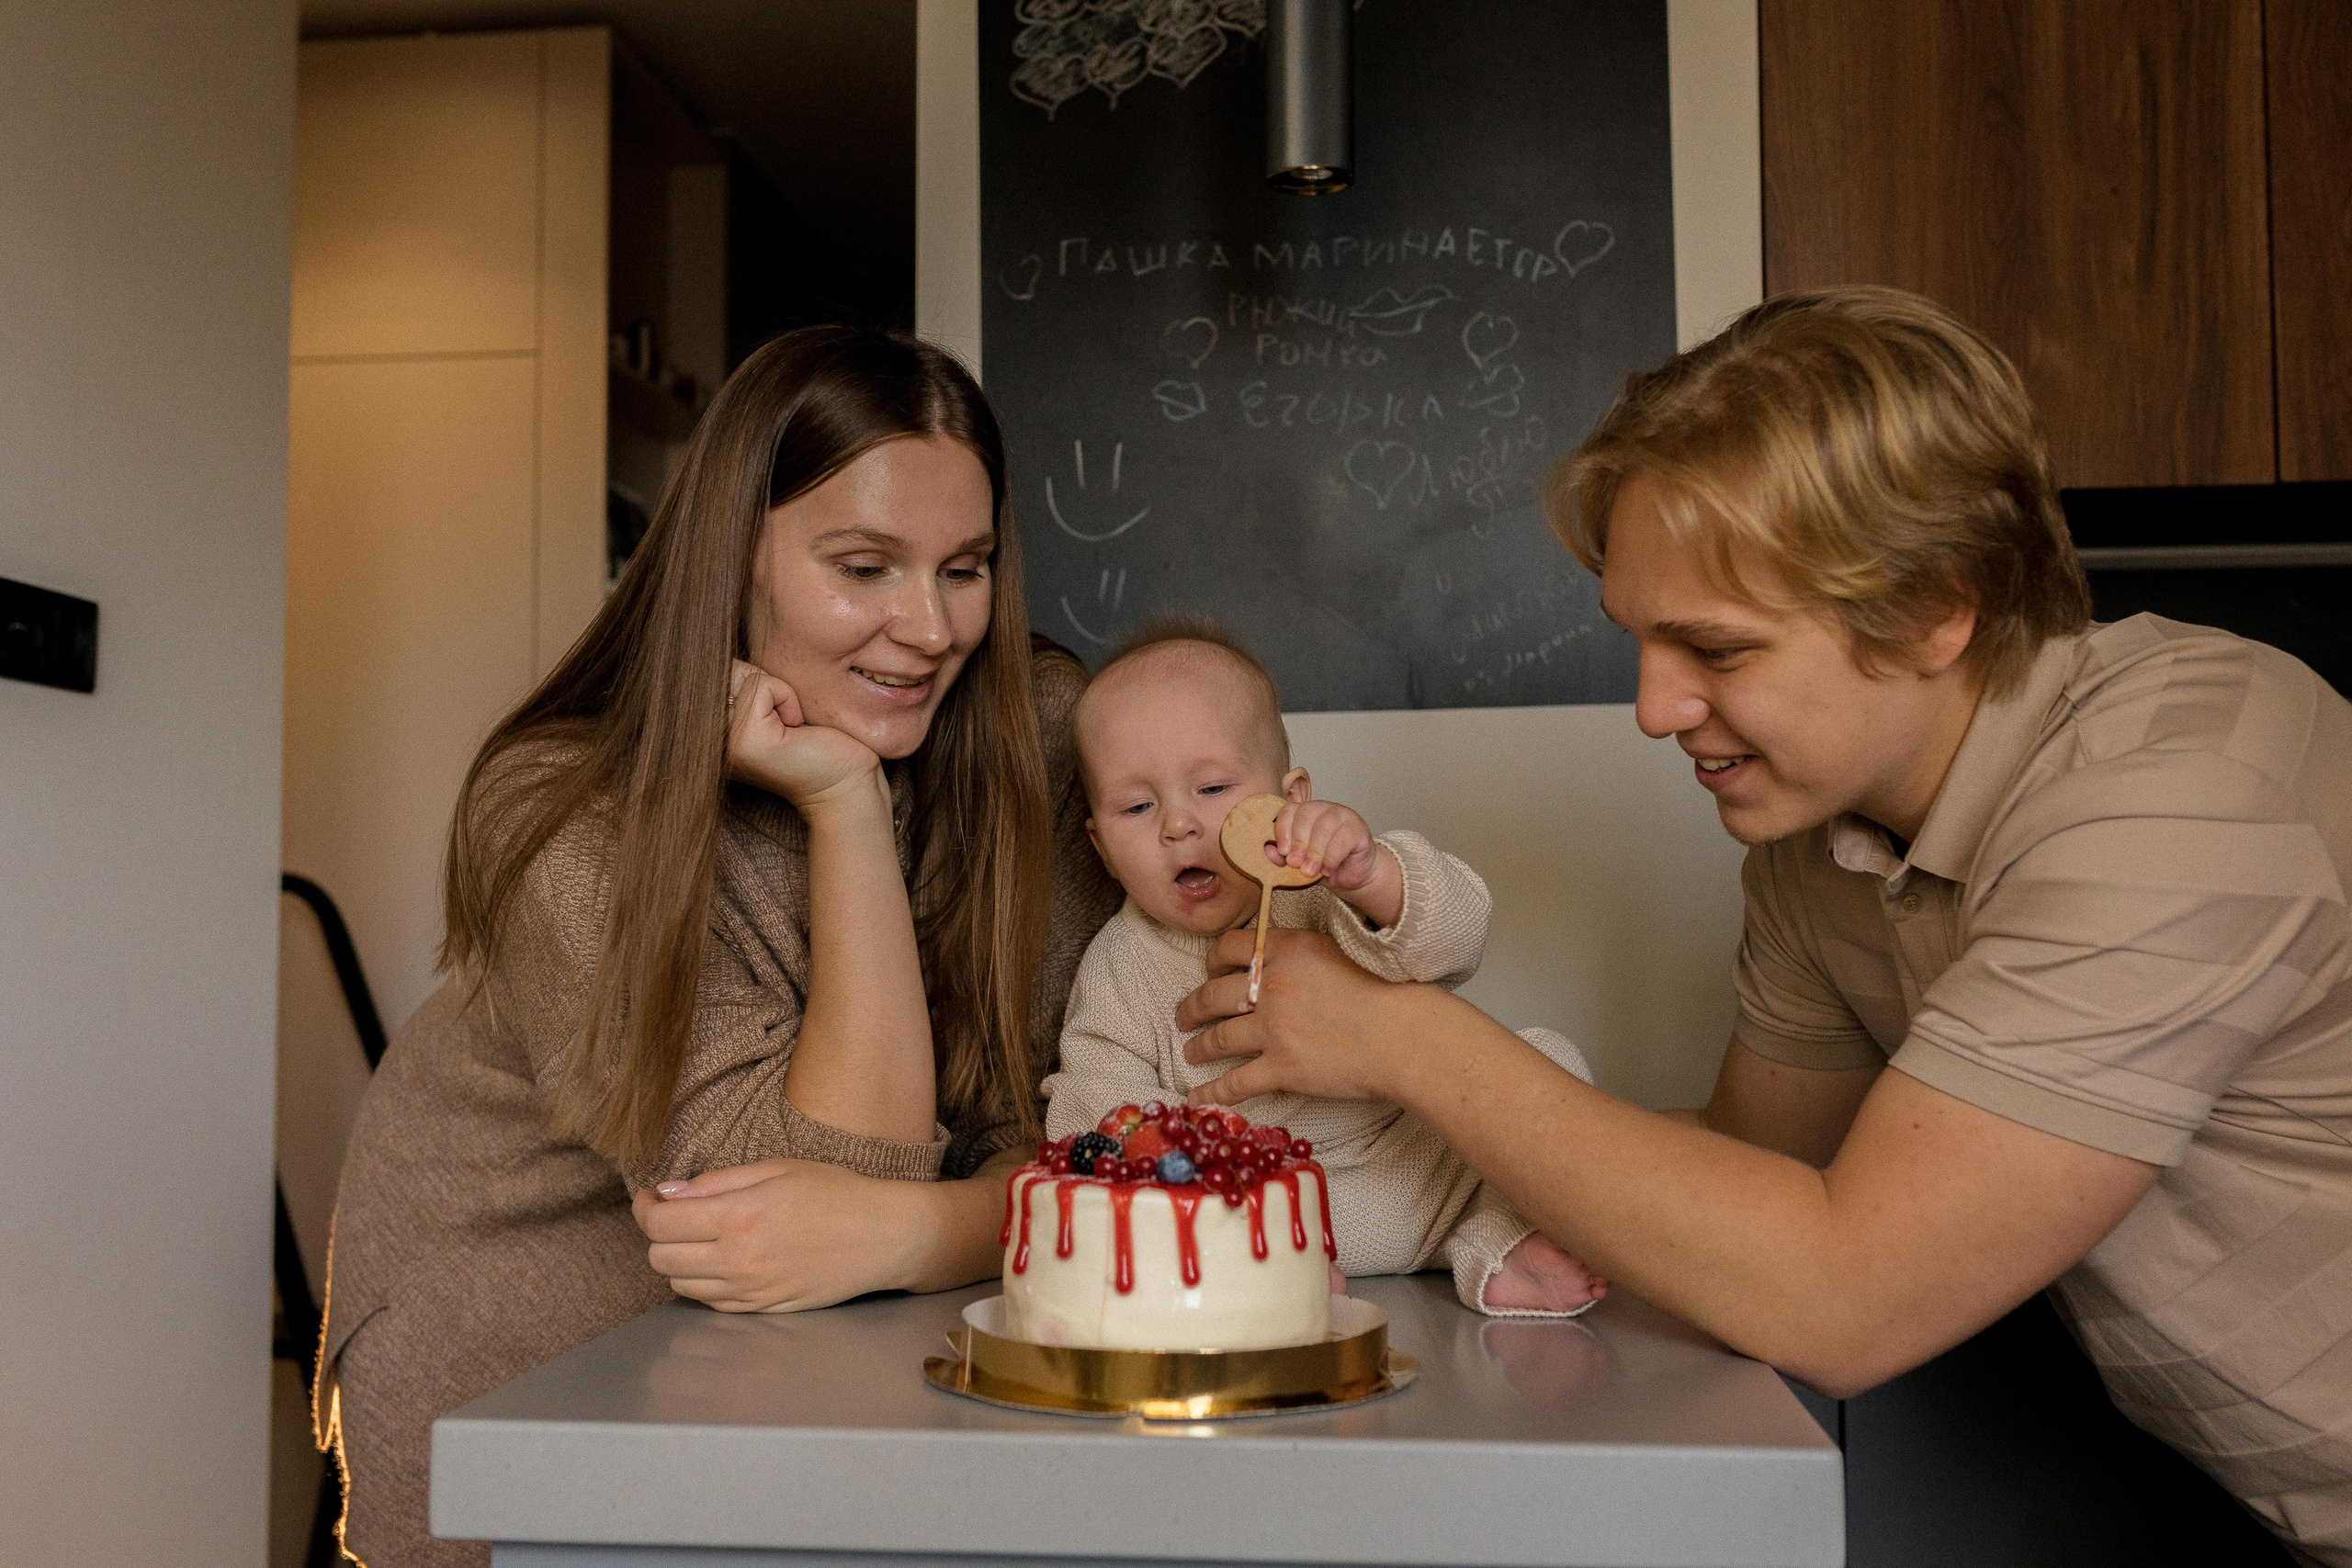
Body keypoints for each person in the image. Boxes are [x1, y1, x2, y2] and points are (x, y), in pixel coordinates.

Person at [1176, 288, 2352, 1565]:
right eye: (1640, 641)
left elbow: (1840, 1295)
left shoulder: (2181, 796)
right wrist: (1379, 1187)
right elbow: (1744, 1194)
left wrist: (1406, 1041)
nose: (1654, 708)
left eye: (1718, 651)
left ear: (1935, 607)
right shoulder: (1819, 849)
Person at [317, 326, 1120, 1568]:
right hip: (531, 1350)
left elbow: (1078, 1119)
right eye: (864, 567)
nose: (928, 627)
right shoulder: (564, 808)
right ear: (733, 552)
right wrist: (843, 802)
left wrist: (925, 1231)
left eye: (964, 569)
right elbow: (807, 1184)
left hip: (837, 1355)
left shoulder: (1037, 732)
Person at [1041, 618, 1606, 1314]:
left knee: (1548, 1061)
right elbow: (1099, 1113)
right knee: (1163, 1185)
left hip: (1423, 1166)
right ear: (1100, 847)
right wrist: (1175, 1170)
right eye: (1137, 806)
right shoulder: (1119, 967)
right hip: (1273, 1206)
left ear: (1292, 799)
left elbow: (1458, 941)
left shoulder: (1325, 896)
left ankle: (1497, 1241)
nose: (1177, 825)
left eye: (1212, 789)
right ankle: (1276, 1268)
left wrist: (1374, 877)